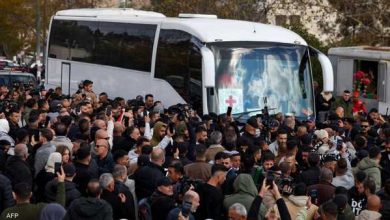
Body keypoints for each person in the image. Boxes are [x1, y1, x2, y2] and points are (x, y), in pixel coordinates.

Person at [0, 167, 65, 220]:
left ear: (14, 195)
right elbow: (59, 207)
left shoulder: (7, 214)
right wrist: (61, 183)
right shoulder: (40, 209)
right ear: (31, 194)